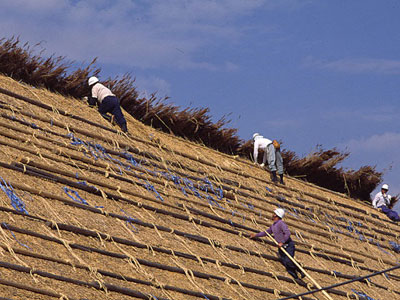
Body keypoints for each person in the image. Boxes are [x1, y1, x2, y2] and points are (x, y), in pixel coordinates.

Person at [250, 208, 304, 280]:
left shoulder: (281, 223)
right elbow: (266, 232)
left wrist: (282, 242)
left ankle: (300, 270)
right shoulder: (273, 226)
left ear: (277, 215)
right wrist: (256, 235)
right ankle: (296, 277)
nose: (272, 215)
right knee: (285, 263)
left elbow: (287, 233)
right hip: (281, 247)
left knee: (288, 260)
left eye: (274, 214)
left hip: (288, 246)